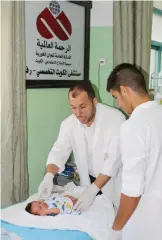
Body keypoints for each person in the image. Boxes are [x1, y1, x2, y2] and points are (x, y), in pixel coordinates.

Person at [38, 80, 125, 212]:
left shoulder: (115, 119)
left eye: (83, 107)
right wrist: (49, 176)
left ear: (94, 101)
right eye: (73, 107)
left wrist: (93, 191)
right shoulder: (69, 124)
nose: (78, 113)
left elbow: (113, 161)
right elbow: (58, 152)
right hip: (88, 183)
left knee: (113, 223)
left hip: (112, 183)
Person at [106, 63, 162, 240]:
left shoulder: (133, 126)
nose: (119, 104)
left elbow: (132, 190)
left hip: (145, 222)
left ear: (124, 90)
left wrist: (116, 229)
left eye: (116, 97)